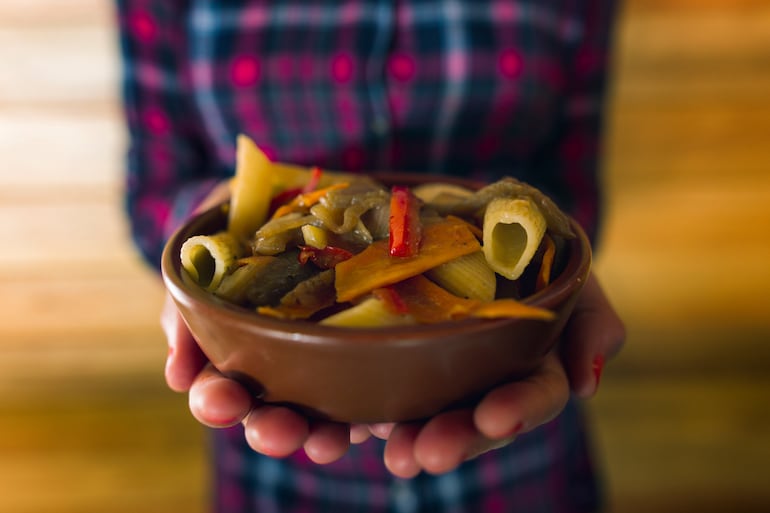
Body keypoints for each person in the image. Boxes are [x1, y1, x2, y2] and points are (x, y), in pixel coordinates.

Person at [116, 0, 625, 511]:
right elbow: (154, 193)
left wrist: (561, 247)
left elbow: (572, 184)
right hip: (278, 445)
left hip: (512, 442)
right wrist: (211, 218)